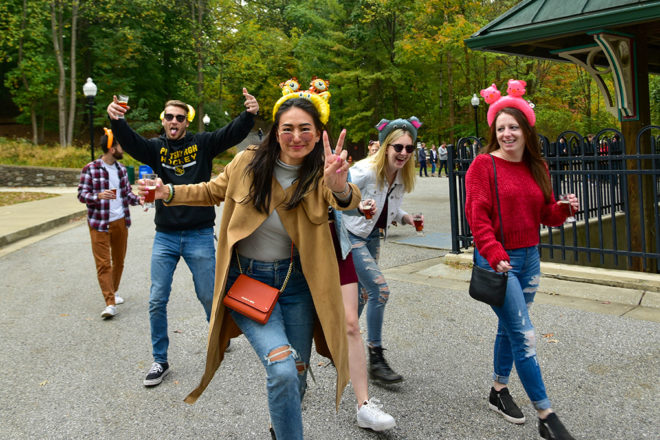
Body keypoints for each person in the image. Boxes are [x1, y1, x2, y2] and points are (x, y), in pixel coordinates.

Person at [145, 91, 360, 440]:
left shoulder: (323, 171)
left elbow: (350, 199)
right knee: (282, 368)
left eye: (305, 129)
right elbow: (211, 191)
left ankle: (280, 428)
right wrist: (168, 192)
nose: (296, 137)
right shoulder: (247, 162)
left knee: (298, 374)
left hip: (299, 286)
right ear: (275, 131)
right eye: (287, 128)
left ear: (319, 131)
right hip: (249, 283)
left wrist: (339, 188)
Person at [106, 89, 259, 387]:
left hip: (199, 233)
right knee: (156, 299)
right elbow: (131, 141)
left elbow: (230, 133)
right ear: (163, 121)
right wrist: (117, 121)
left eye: (179, 117)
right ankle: (159, 360)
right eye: (169, 117)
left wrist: (250, 114)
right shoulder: (154, 148)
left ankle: (219, 337)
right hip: (165, 236)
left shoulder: (201, 144)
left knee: (207, 295)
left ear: (186, 122)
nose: (174, 121)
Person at [465, 81, 578, 440]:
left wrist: (561, 209)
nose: (507, 133)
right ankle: (546, 414)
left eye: (513, 126)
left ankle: (498, 390)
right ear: (494, 133)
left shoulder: (536, 166)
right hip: (498, 260)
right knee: (524, 334)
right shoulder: (483, 166)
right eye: (500, 128)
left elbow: (543, 214)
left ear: (526, 130)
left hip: (530, 258)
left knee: (510, 328)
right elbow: (477, 217)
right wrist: (495, 253)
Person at [343, 117, 423, 385]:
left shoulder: (401, 175)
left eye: (408, 149)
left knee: (364, 296)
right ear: (386, 146)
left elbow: (390, 207)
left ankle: (343, 343)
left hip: (373, 237)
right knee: (380, 291)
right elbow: (337, 199)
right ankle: (375, 357)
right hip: (350, 235)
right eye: (398, 147)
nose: (403, 153)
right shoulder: (363, 171)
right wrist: (357, 207)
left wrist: (406, 218)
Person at [330, 204, 396, 432]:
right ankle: (289, 396)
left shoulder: (335, 167)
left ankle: (364, 406)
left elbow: (342, 196)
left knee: (351, 323)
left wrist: (355, 205)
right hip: (304, 247)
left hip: (339, 242)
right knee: (303, 325)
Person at [77, 128, 141, 319]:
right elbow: (81, 194)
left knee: (119, 261)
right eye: (121, 145)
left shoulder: (121, 170)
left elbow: (127, 195)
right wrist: (97, 196)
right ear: (112, 149)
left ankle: (113, 291)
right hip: (99, 223)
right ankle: (110, 302)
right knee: (104, 264)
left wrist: (141, 200)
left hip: (120, 221)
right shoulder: (91, 169)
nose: (123, 149)